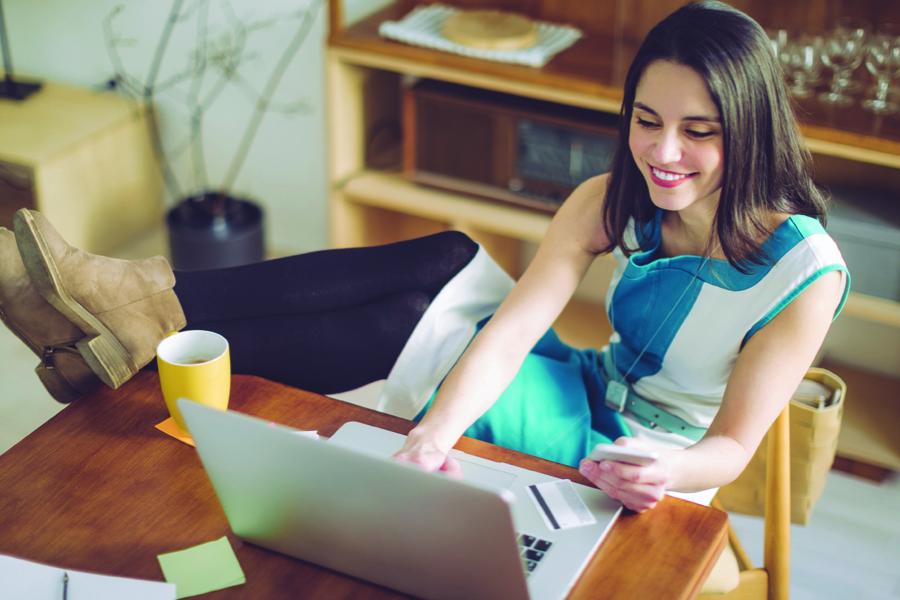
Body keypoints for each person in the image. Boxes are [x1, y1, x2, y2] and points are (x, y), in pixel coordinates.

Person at [0, 1, 848, 513]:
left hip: (638, 454)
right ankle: (147, 307)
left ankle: (138, 328)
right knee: (449, 256)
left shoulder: (802, 273)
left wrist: (665, 465)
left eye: (698, 132)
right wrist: (432, 436)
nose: (662, 152)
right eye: (645, 119)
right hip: (582, 383)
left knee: (408, 329)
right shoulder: (614, 194)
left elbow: (733, 450)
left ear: (750, 127)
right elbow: (517, 328)